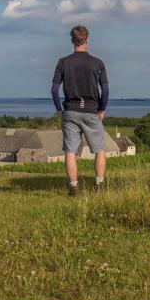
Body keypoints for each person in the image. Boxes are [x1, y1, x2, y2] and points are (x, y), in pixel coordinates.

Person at [51, 25, 109, 196]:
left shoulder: (63, 62)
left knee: (70, 151)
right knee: (99, 149)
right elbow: (105, 91)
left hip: (70, 110)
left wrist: (59, 109)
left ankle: (73, 188)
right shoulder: (98, 63)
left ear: (72, 41)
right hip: (92, 111)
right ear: (87, 40)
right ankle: (99, 185)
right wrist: (102, 109)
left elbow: (54, 90)